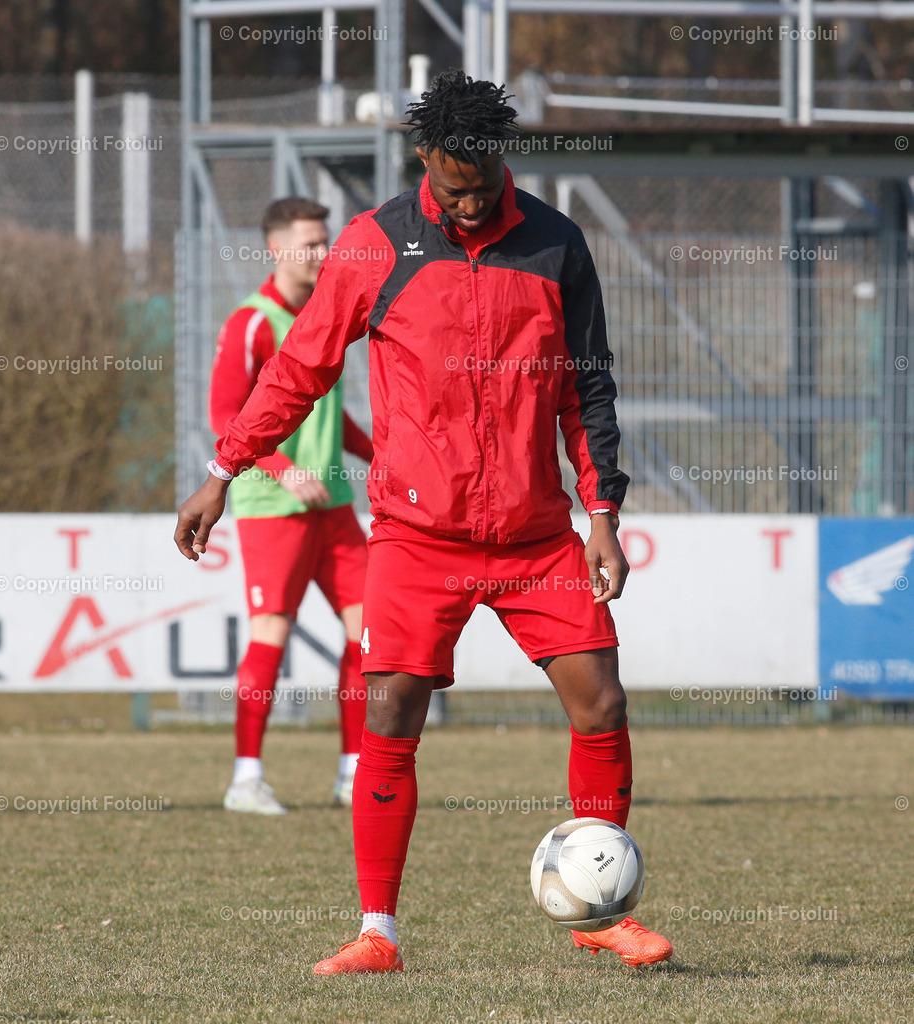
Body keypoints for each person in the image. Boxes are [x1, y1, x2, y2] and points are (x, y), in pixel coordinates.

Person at [176, 70, 673, 970]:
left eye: (482, 185)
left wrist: (601, 510)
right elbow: (300, 368)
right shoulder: (373, 245)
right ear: (423, 160)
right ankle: (379, 933)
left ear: (501, 161)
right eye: (453, 187)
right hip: (417, 535)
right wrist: (224, 470)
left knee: (601, 701)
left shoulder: (556, 243)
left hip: (534, 536)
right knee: (392, 708)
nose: (470, 202)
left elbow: (586, 388)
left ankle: (598, 913)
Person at [210, 197, 374, 814]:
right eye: (310, 243)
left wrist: (382, 453)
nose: (321, 254)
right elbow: (223, 416)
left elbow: (329, 414)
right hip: (270, 505)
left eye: (326, 241)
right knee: (271, 635)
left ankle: (353, 773)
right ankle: (245, 780)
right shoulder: (252, 322)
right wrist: (281, 469)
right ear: (276, 248)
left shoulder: (325, 317)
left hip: (333, 505)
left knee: (371, 634)